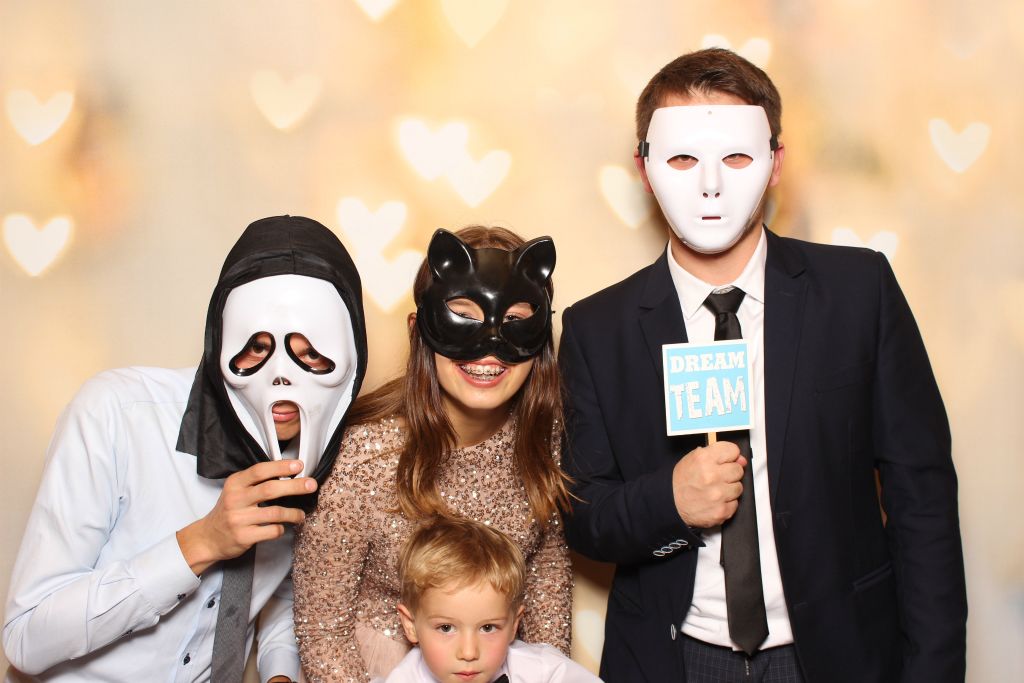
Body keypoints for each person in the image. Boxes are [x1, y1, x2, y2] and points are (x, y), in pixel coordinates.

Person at [558, 48, 967, 682]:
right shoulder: (596, 329)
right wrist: (671, 500)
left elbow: (924, 499)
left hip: (837, 655)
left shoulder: (859, 293)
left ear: (776, 164)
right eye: (683, 159)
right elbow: (585, 518)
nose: (710, 184)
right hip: (675, 659)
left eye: (737, 157)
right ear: (644, 169)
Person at [3, 215, 367, 682]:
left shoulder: (338, 460)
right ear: (221, 338)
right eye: (256, 347)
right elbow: (25, 638)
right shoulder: (118, 415)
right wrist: (200, 543)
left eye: (312, 352)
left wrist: (280, 671)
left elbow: (282, 592)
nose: (281, 376)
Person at [293, 226, 573, 682]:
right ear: (418, 328)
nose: (489, 345)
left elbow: (545, 569)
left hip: (493, 662)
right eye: (462, 317)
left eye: (516, 320)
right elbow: (322, 628)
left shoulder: (542, 435)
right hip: (376, 669)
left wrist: (548, 672)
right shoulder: (366, 453)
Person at [383, 517, 599, 683]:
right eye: (446, 628)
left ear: (514, 624)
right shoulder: (402, 679)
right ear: (410, 625)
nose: (469, 653)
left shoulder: (545, 671)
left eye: (488, 628)